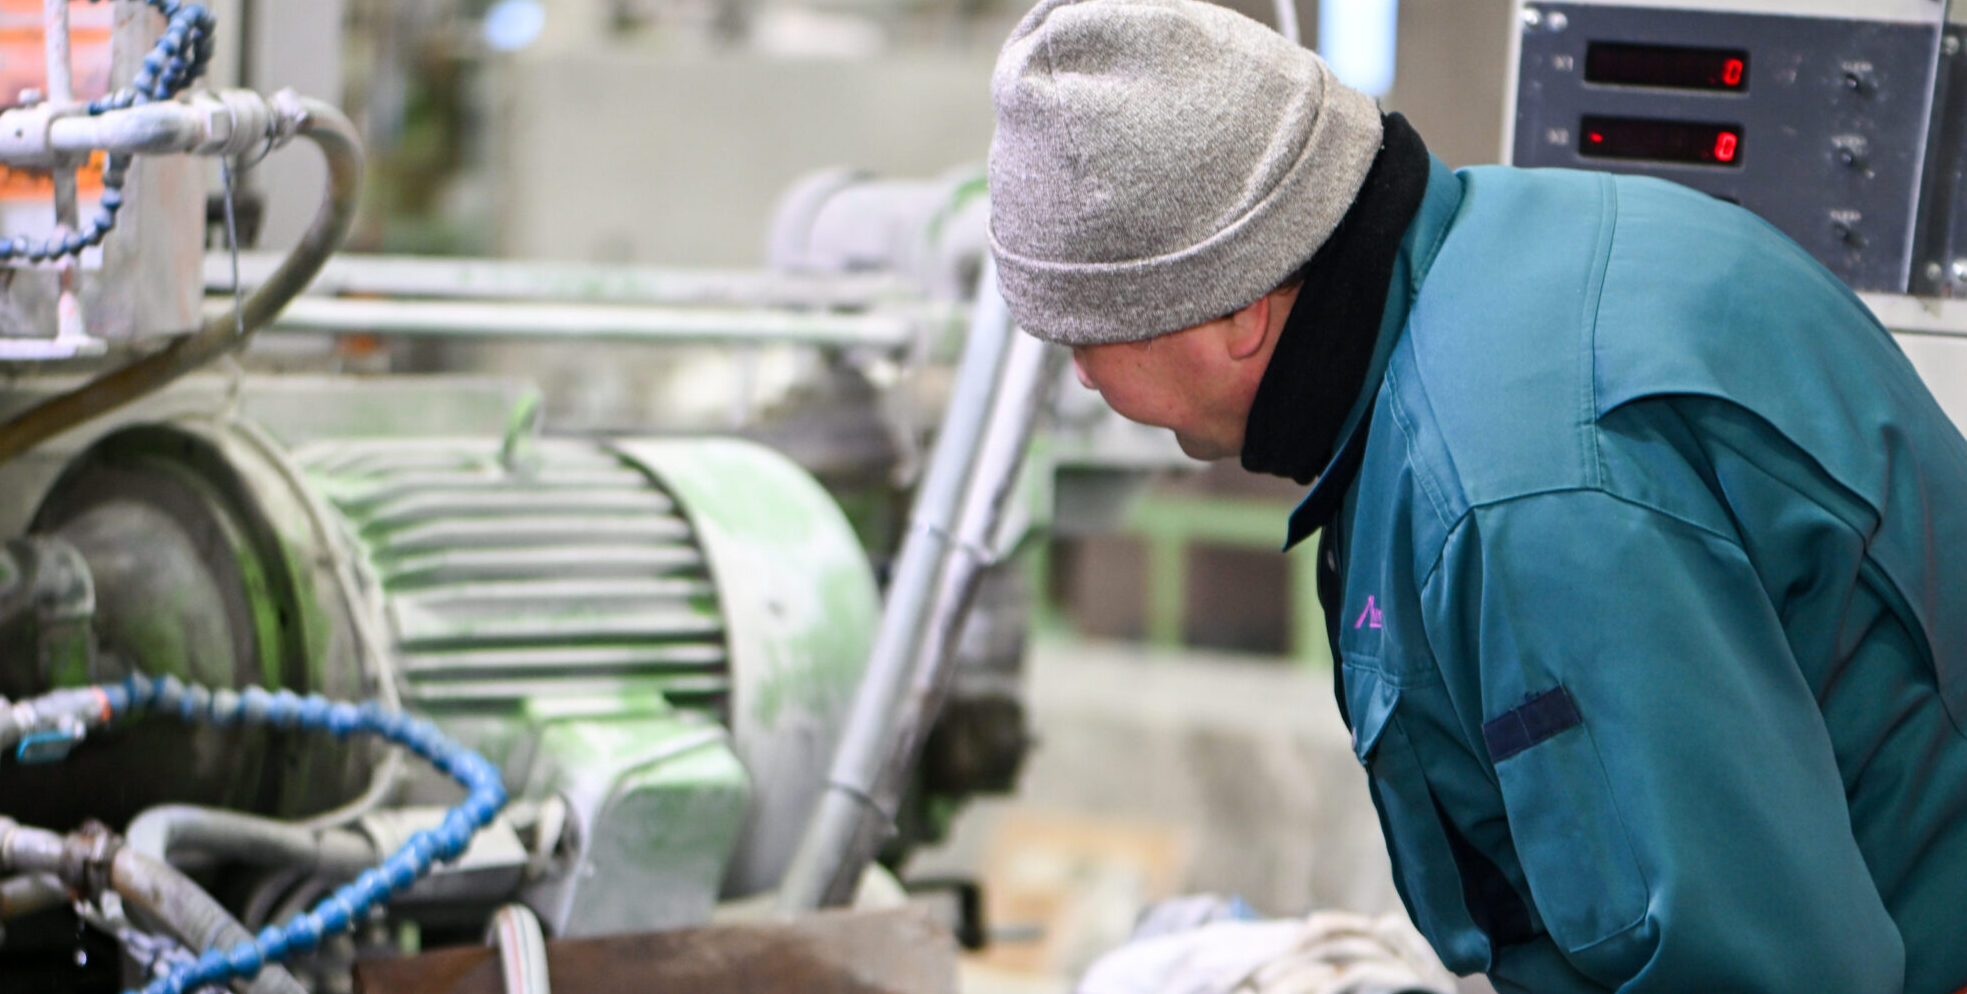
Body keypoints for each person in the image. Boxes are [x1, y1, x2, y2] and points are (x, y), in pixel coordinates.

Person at [983, 0, 1967, 991]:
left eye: (1085, 337)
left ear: (1236, 308)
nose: (1083, 378)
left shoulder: (1514, 498)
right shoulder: (1487, 257)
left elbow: (1760, 970)